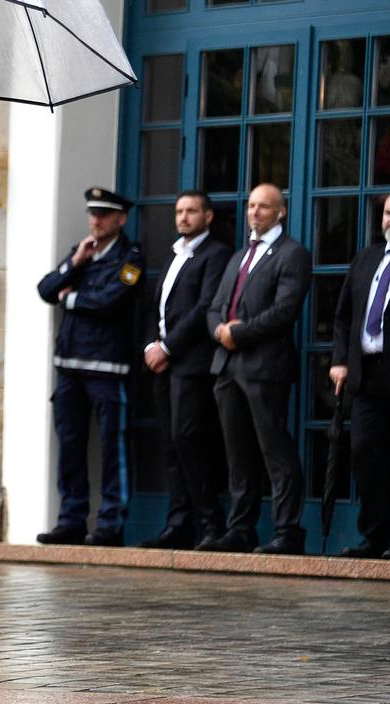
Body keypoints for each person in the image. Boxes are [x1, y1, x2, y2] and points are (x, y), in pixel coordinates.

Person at [35, 187, 145, 547]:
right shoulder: (82, 254)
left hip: (108, 369)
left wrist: (72, 298)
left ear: (120, 219)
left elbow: (111, 300)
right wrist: (74, 264)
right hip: (69, 368)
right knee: (70, 446)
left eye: (103, 214)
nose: (95, 220)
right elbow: (46, 289)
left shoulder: (131, 260)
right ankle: (71, 520)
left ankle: (110, 524)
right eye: (92, 213)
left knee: (112, 450)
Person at [205, 183, 311, 555]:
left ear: (279, 212)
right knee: (238, 454)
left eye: (263, 207)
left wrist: (241, 333)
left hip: (265, 367)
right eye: (251, 206)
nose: (254, 213)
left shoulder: (292, 254)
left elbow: (285, 311)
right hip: (227, 366)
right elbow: (216, 306)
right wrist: (219, 330)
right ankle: (241, 528)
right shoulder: (239, 257)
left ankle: (288, 530)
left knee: (274, 450)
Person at [139, 192, 232, 551]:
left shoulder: (216, 255)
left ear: (207, 217)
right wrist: (151, 344)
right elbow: (156, 306)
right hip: (162, 365)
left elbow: (204, 308)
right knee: (171, 446)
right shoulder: (174, 254)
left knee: (190, 440)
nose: (183, 217)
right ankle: (177, 523)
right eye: (179, 211)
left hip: (191, 365)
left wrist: (168, 346)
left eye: (191, 211)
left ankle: (210, 523)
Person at [328, 190, 390, 559]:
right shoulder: (367, 258)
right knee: (366, 454)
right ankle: (374, 536)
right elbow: (342, 316)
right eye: (388, 212)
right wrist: (340, 359)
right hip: (367, 375)